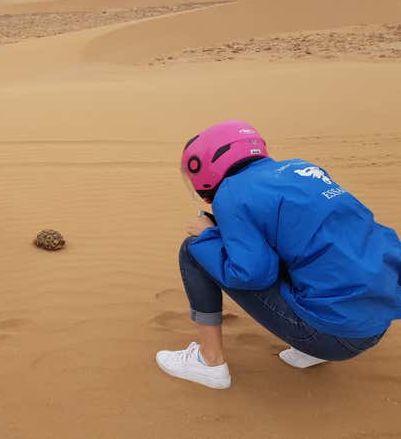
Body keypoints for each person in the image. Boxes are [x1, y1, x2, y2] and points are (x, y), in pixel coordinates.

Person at [156, 120, 401, 389]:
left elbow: (252, 275)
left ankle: (209, 361)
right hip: (377, 322)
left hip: (332, 335)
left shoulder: (232, 193)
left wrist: (210, 236)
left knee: (193, 251)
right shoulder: (301, 168)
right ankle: (310, 351)